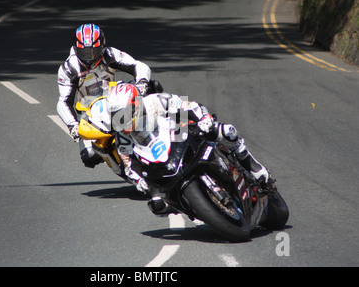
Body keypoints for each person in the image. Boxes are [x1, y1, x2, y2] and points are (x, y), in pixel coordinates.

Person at [105, 83, 270, 215]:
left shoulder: (155, 101)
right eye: (117, 115)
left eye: (125, 113)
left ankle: (251, 164)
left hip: (185, 135)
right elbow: (129, 165)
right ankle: (188, 206)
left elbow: (187, 105)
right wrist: (138, 180)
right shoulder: (122, 138)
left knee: (226, 131)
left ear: (135, 104)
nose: (122, 119)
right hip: (164, 163)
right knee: (156, 205)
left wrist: (203, 119)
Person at [56, 24, 152, 168]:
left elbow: (138, 65)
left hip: (114, 99)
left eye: (94, 51)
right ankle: (118, 163)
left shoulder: (110, 54)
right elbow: (63, 102)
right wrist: (73, 126)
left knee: (153, 86)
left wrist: (142, 83)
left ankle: (171, 121)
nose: (90, 57)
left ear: (102, 45)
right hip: (89, 114)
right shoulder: (69, 68)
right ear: (76, 48)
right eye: (85, 52)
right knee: (89, 156)